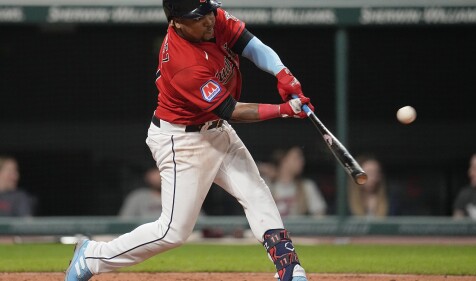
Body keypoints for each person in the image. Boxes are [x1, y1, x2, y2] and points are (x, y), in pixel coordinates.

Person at [65, 1, 314, 281]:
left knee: (256, 192)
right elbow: (231, 110)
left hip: (217, 131)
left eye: (208, 11)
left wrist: (282, 73)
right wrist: (283, 110)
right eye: (198, 17)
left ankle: (289, 268)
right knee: (173, 232)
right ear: (176, 22)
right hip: (181, 141)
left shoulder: (211, 20)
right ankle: (91, 257)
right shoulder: (183, 63)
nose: (209, 20)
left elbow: (249, 44)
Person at [268, 146, 327, 217]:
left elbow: (320, 215)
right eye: (296, 158)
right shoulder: (267, 186)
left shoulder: (306, 186)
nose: (302, 161)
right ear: (284, 160)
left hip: (299, 228)